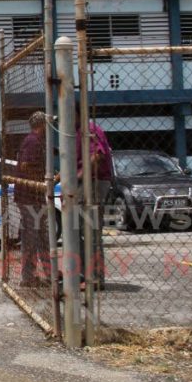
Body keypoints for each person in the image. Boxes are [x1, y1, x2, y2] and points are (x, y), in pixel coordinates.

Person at [76, 111, 113, 286]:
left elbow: (98, 155)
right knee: (78, 231)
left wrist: (81, 174)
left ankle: (96, 277)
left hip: (94, 181)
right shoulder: (75, 133)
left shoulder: (89, 129)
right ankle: (84, 273)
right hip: (84, 182)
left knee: (90, 232)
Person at [17, 111, 51, 285]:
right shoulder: (33, 141)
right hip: (30, 196)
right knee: (32, 236)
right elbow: (25, 165)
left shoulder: (34, 141)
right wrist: (38, 182)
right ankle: (29, 277)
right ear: (42, 124)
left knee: (40, 235)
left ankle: (46, 273)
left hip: (31, 195)